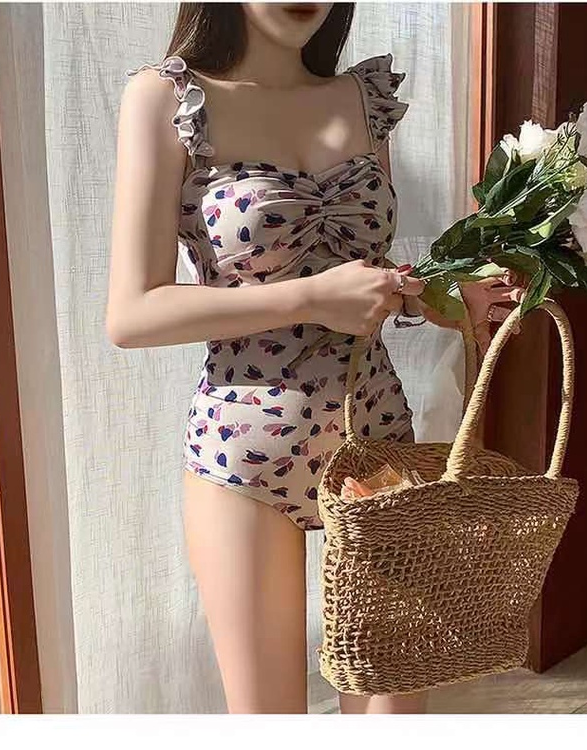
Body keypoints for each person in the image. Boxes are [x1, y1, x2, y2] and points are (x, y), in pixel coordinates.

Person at [106, 3, 523, 714]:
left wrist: (441, 297)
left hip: (376, 440)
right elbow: (131, 313)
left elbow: (367, 274)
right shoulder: (167, 99)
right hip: (244, 453)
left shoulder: (364, 100)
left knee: (393, 715)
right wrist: (307, 299)